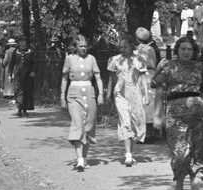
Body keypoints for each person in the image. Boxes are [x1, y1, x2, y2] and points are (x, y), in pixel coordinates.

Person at [152, 36, 203, 190]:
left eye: (189, 49)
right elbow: (159, 91)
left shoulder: (201, 68)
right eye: (183, 48)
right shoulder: (168, 67)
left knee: (198, 154)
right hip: (175, 114)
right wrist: (157, 115)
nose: (186, 52)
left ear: (194, 51)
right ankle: (179, 183)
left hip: (199, 114)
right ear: (177, 50)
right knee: (180, 153)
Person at [61, 34, 104, 171]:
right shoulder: (69, 59)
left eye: (85, 46)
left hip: (89, 92)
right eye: (81, 46)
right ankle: (79, 160)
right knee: (78, 124)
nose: (83, 48)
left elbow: (98, 78)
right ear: (75, 47)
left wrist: (100, 94)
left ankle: (84, 158)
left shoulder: (92, 59)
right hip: (74, 93)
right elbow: (64, 78)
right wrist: (62, 96)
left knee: (89, 125)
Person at [106, 34, 149, 167]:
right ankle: (128, 155)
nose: (123, 49)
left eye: (126, 47)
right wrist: (108, 95)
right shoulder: (115, 60)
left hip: (135, 92)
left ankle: (131, 152)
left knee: (135, 122)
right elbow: (111, 78)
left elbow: (142, 79)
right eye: (121, 47)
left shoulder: (139, 60)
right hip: (120, 93)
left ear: (131, 46)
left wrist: (146, 95)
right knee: (125, 121)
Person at [14, 37, 35, 115]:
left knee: (27, 91)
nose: (22, 42)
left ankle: (25, 109)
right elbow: (12, 63)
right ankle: (19, 109)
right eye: (21, 41)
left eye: (24, 41)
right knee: (19, 91)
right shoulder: (15, 51)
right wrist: (10, 74)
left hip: (28, 74)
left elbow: (34, 62)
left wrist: (34, 71)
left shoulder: (30, 51)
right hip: (18, 74)